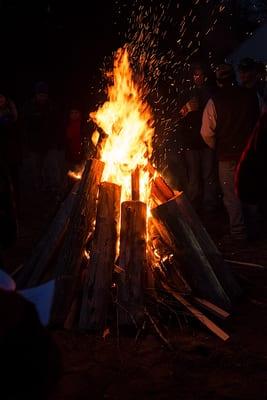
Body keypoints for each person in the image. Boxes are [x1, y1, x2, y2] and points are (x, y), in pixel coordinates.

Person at [201, 63, 259, 244]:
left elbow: (206, 133)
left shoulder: (214, 101)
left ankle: (239, 234)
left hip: (227, 158)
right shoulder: (252, 96)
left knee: (232, 197)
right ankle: (255, 231)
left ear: (218, 81)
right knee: (250, 193)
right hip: (250, 156)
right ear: (234, 77)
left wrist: (217, 147)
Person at [178, 63, 218, 212]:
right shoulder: (186, 93)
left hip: (206, 142)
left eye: (200, 75)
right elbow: (177, 117)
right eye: (195, 75)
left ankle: (210, 207)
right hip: (191, 143)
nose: (198, 78)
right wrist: (187, 109)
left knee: (208, 176)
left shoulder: (210, 93)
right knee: (193, 177)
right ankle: (194, 207)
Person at [22, 82, 62, 193]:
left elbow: (57, 124)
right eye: (40, 94)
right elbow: (24, 126)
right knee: (36, 169)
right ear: (36, 95)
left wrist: (56, 141)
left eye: (44, 94)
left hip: (50, 145)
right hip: (34, 145)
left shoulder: (52, 106)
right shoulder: (29, 107)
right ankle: (38, 188)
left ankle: (54, 189)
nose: (42, 97)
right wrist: (27, 143)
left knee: (52, 167)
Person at [0, 91, 20, 204]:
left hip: (11, 151)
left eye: (1, 97)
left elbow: (17, 132)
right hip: (1, 151)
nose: (0, 100)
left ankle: (14, 199)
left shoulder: (12, 113)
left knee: (13, 176)